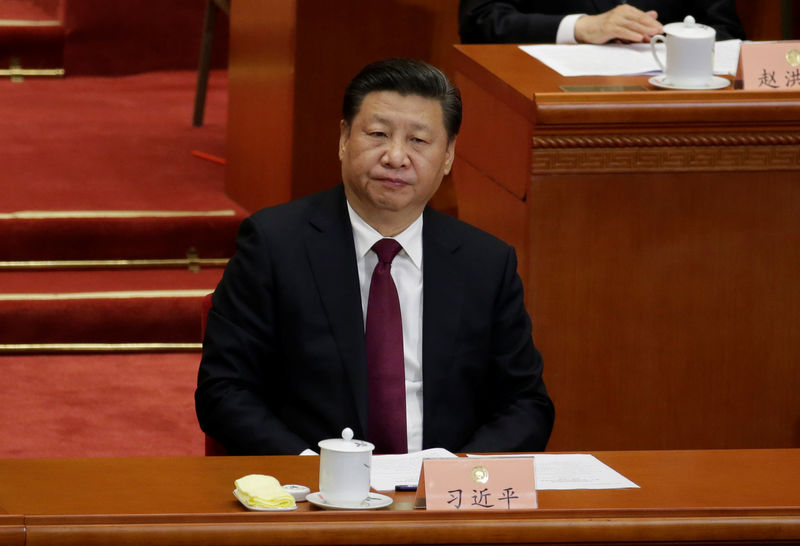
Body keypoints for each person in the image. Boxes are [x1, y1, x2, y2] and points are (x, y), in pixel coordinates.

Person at [195, 58, 555, 456]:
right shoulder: (274, 244)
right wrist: (307, 468)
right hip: (314, 497)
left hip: (439, 501)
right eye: (379, 134)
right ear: (344, 138)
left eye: (419, 141)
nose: (396, 157)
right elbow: (223, 390)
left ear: (449, 154)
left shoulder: (486, 262)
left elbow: (527, 405)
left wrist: (462, 469)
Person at [459, 0, 745, 45]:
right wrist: (579, 28)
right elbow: (481, 21)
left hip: (676, 109)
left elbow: (728, 35)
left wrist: (659, 39)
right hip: (550, 107)